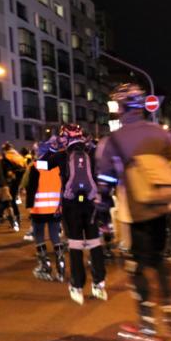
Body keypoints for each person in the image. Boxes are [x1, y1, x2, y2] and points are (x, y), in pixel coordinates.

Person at [97, 83, 171, 339]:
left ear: (122, 108)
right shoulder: (159, 132)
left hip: (134, 209)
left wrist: (102, 207)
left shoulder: (113, 139)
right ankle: (170, 313)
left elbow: (105, 179)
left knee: (136, 264)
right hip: (163, 205)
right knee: (159, 260)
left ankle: (146, 321)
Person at [45, 124, 107, 305]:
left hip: (71, 204)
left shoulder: (62, 155)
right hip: (90, 202)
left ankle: (77, 286)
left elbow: (41, 165)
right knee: (95, 242)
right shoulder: (92, 153)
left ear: (65, 137)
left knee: (76, 244)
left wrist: (50, 147)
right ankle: (99, 283)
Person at [25, 139, 65, 281]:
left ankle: (45, 265)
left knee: (39, 235)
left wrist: (29, 205)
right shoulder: (58, 166)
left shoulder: (35, 166)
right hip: (55, 208)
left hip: (39, 209)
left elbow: (31, 188)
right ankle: (61, 264)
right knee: (55, 236)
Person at [1, 142, 26, 232]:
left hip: (12, 181)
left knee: (11, 200)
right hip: (20, 180)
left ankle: (16, 220)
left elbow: (8, 171)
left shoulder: (7, 156)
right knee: (13, 199)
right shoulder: (17, 155)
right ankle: (17, 219)